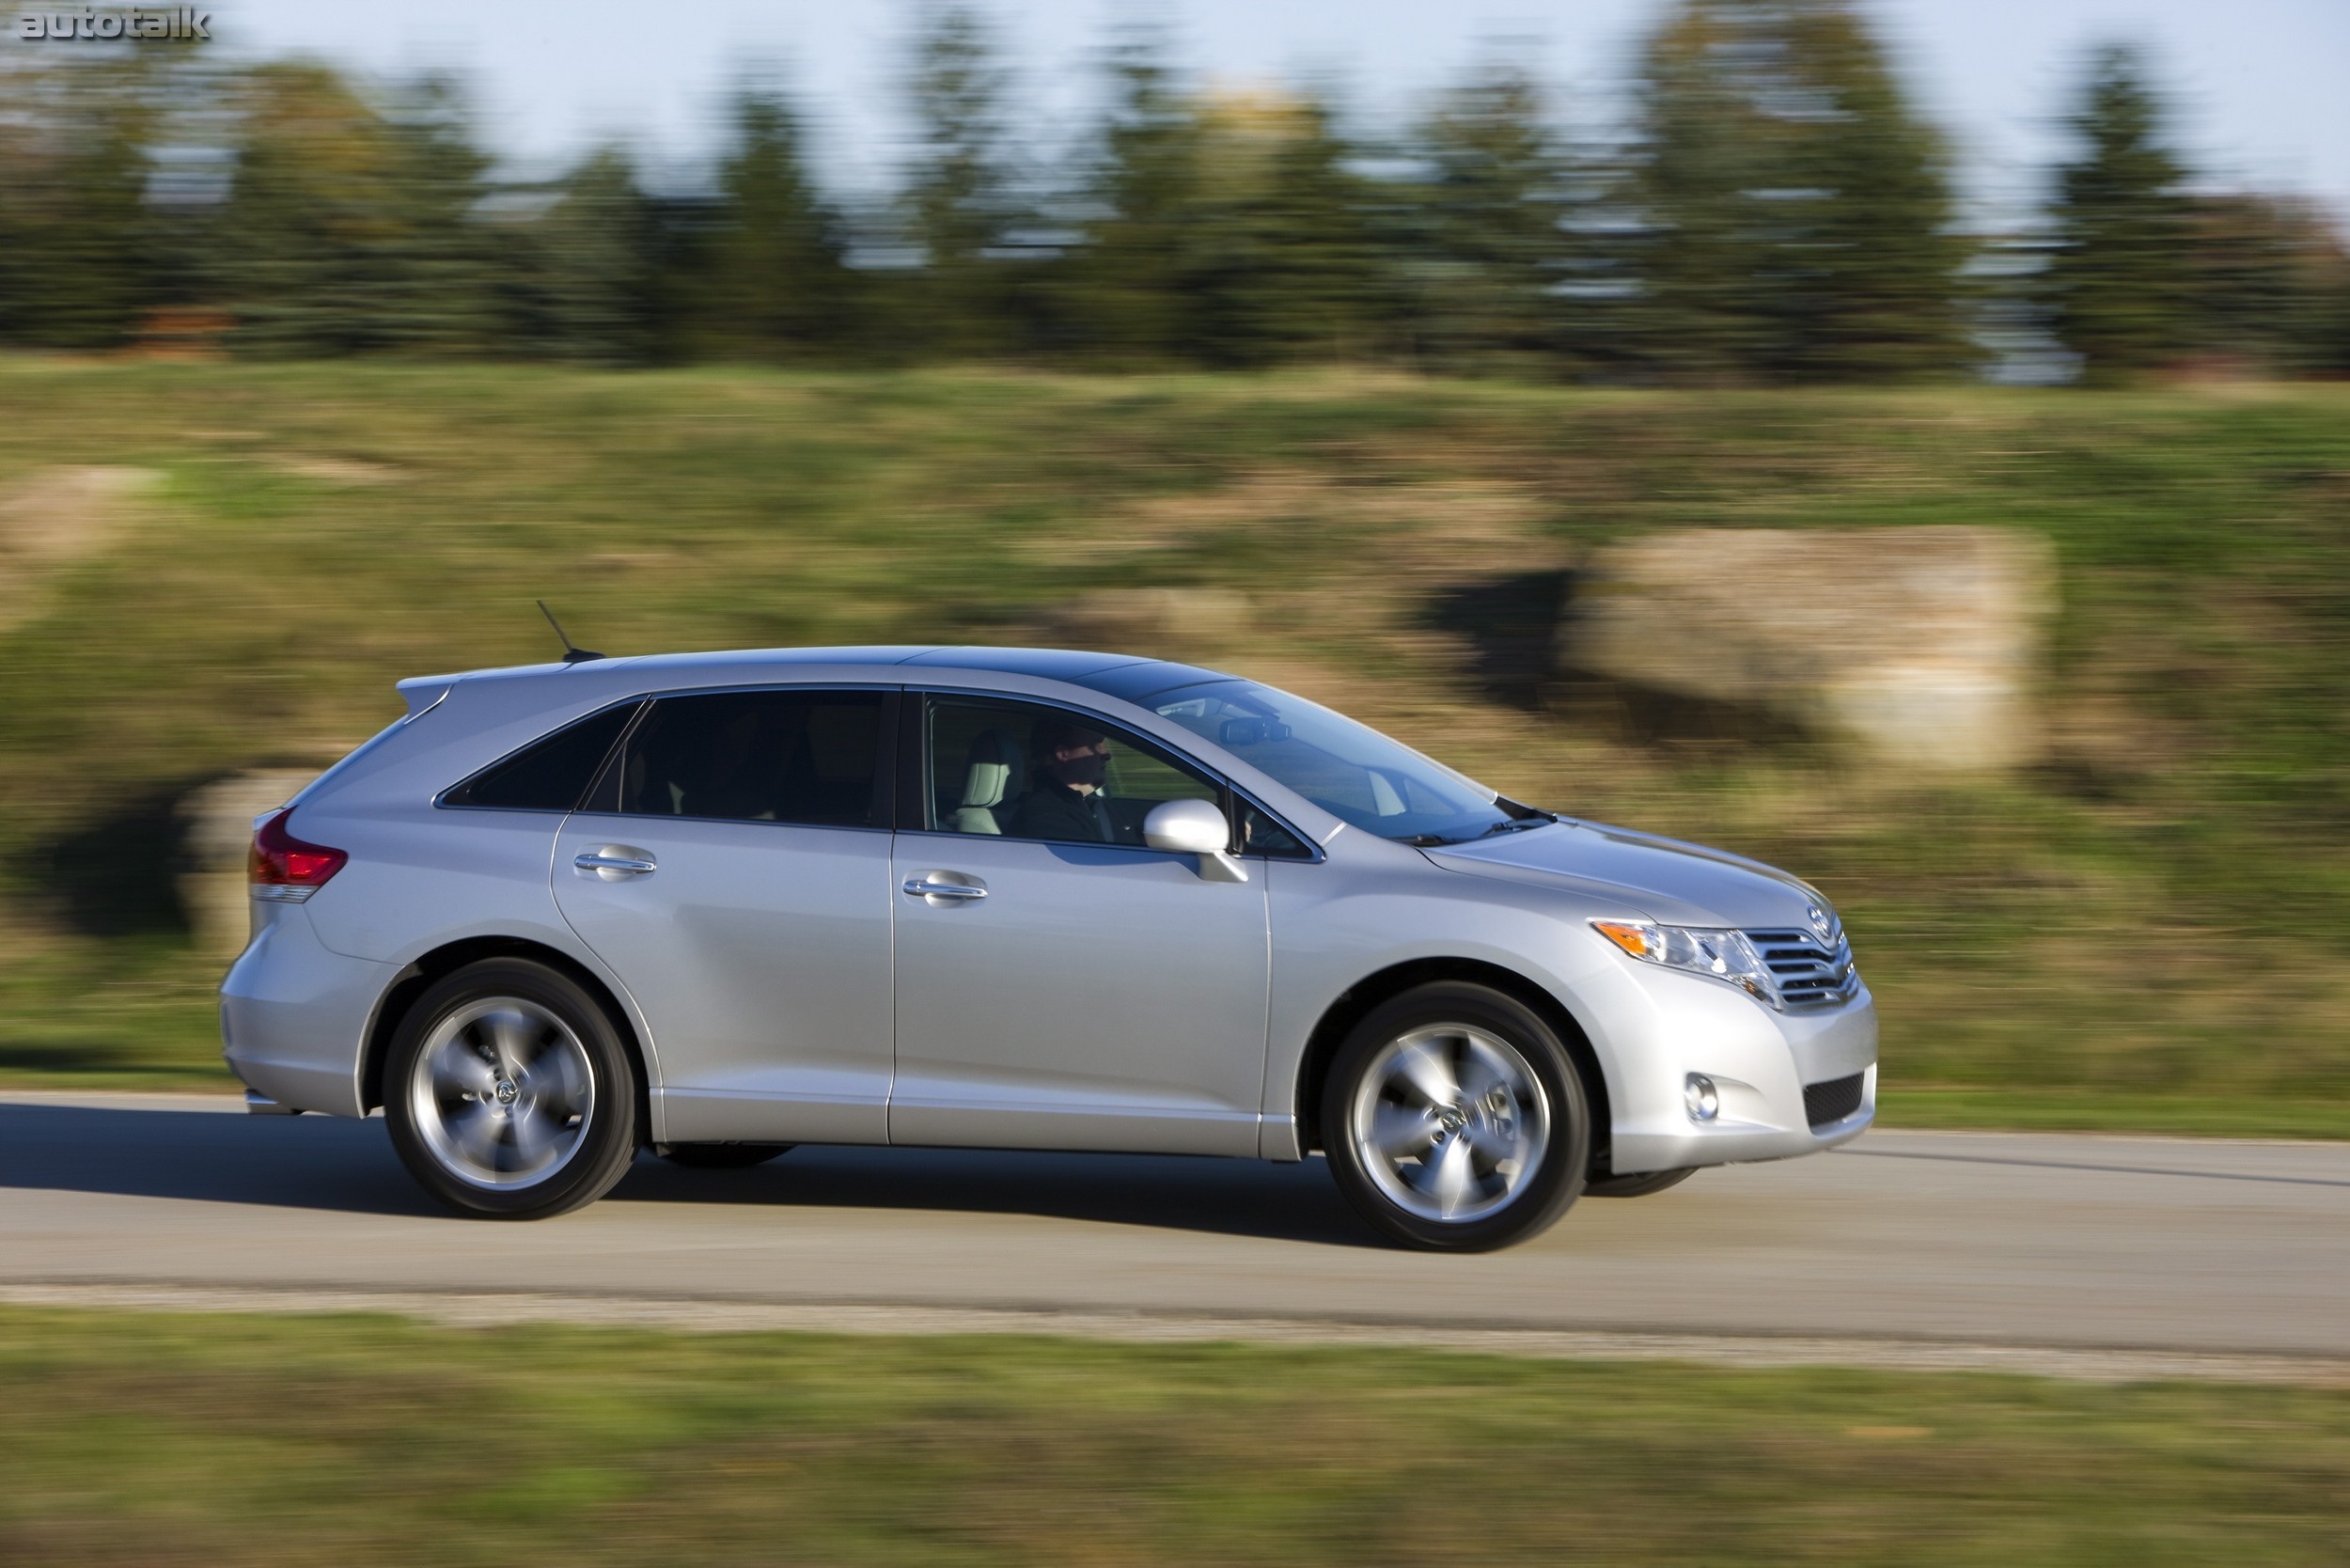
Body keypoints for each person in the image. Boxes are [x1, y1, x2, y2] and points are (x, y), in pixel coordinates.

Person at [1005, 718, 1118, 842]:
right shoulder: (1049, 819)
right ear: (1063, 753)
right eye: (1095, 745)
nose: (1107, 755)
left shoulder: (1081, 806)